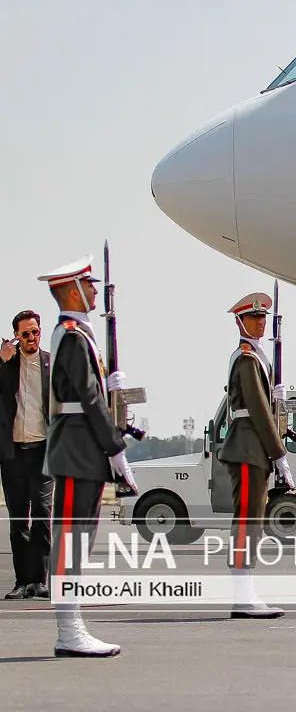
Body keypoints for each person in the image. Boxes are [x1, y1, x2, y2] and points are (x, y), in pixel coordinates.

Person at [38, 255, 138, 657]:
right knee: (71, 541)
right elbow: (88, 396)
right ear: (73, 291)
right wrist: (115, 446)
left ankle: (72, 625)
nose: (95, 291)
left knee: (80, 540)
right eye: (89, 285)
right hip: (77, 447)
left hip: (83, 446)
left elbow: (93, 391)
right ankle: (68, 629)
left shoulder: (79, 335)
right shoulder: (72, 335)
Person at [220, 292, 295, 619]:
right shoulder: (247, 358)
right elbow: (259, 409)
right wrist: (278, 453)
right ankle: (242, 596)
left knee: (253, 518)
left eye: (263, 317)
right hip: (248, 445)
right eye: (253, 318)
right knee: (247, 519)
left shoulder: (257, 357)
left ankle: (246, 591)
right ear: (240, 322)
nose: (260, 322)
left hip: (254, 446)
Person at [0, 310, 52, 599]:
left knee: (43, 515)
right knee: (19, 520)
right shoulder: (7, 364)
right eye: (25, 334)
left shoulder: (51, 364)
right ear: (16, 337)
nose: (32, 337)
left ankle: (39, 581)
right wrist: (0, 360)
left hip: (43, 452)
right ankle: (22, 582)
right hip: (14, 454)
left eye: (35, 332)